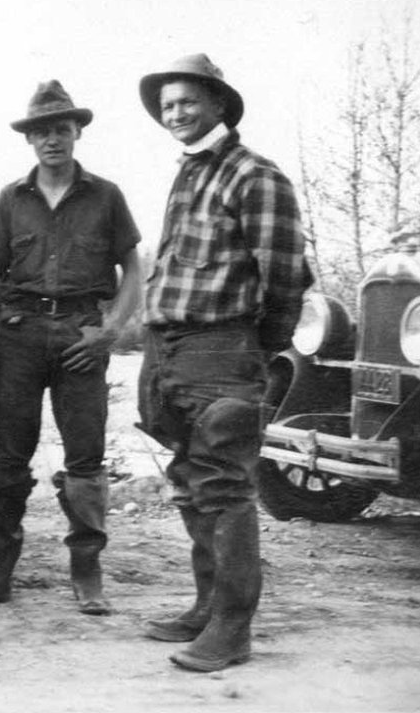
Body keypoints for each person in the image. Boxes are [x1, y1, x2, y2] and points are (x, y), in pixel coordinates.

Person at [136, 54, 312, 671]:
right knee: (189, 479)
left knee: (224, 485)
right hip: (170, 348)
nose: (175, 113)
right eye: (168, 105)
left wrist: (256, 350)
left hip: (222, 348)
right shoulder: (189, 174)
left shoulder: (254, 176)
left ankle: (232, 627)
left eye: (187, 102)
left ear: (218, 104)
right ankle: (208, 605)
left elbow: (284, 276)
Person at [0, 80, 141, 616]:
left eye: (61, 129)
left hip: (82, 336)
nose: (52, 140)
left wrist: (109, 331)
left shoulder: (106, 196)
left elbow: (133, 270)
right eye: (41, 132)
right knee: (8, 455)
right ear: (29, 139)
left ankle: (87, 572)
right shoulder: (11, 198)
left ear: (77, 131)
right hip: (19, 334)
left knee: (85, 458)